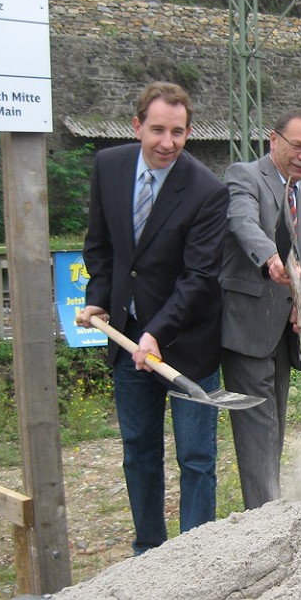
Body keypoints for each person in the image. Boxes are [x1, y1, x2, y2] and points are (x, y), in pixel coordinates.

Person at [78, 81, 229, 555]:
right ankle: (148, 551)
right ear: (137, 125)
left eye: (179, 132)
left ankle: (194, 555)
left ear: (189, 133)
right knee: (139, 451)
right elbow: (100, 247)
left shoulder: (207, 189)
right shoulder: (109, 167)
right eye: (158, 130)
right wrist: (100, 296)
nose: (168, 142)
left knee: (197, 455)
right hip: (127, 338)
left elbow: (199, 276)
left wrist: (156, 333)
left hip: (189, 343)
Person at [220, 108, 301, 509]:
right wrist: (270, 258)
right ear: (273, 139)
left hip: (284, 332)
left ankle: (266, 513)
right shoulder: (244, 176)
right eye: (297, 146)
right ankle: (265, 521)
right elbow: (242, 222)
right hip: (246, 331)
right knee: (257, 431)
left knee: (273, 430)